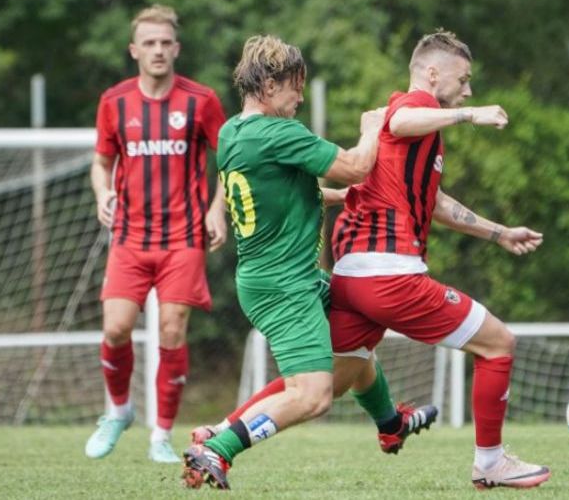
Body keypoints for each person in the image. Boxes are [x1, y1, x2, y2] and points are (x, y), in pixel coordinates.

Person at [182, 35, 436, 490]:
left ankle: (390, 422)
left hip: (276, 278)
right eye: (295, 87)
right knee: (314, 396)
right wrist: (374, 126)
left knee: (357, 342)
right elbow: (357, 165)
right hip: (284, 287)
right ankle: (217, 446)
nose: (300, 97)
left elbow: (281, 193)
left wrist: (342, 198)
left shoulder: (233, 132)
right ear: (268, 84)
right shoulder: (279, 132)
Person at [328, 29, 549, 490]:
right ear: (432, 73)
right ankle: (490, 462)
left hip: (351, 274)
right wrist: (469, 114)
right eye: (463, 80)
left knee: (317, 390)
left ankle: (223, 437)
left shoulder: (417, 134)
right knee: (497, 343)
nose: (468, 90)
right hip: (389, 273)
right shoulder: (419, 106)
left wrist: (500, 233)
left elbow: (438, 203)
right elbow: (401, 118)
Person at [86, 5, 229, 463]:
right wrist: (101, 193)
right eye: (149, 43)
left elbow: (229, 160)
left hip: (183, 239)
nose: (158, 50)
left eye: (166, 42)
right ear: (134, 50)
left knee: (171, 331)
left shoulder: (201, 101)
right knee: (115, 328)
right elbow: (102, 162)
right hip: (129, 237)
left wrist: (217, 211)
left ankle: (161, 437)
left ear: (177, 48)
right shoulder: (115, 102)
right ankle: (120, 411)